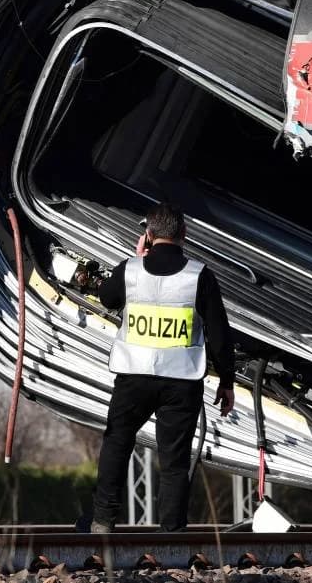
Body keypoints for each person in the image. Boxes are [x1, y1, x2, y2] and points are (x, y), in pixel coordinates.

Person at [89, 202, 236, 533]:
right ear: (184, 233)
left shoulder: (130, 270)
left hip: (133, 377)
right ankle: (171, 532)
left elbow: (107, 298)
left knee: (117, 443)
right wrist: (227, 381)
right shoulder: (199, 276)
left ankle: (103, 520)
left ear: (148, 234)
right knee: (174, 460)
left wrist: (137, 259)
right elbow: (219, 334)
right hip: (181, 381)